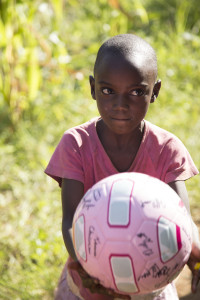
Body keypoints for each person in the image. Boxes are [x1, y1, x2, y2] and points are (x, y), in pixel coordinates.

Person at [45, 34, 200, 300]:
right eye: (108, 91)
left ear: (155, 92)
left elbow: (180, 221)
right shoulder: (76, 145)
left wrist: (195, 260)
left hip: (151, 284)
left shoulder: (167, 149)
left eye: (137, 92)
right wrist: (90, 270)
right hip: (89, 284)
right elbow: (70, 220)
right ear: (93, 88)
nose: (120, 104)